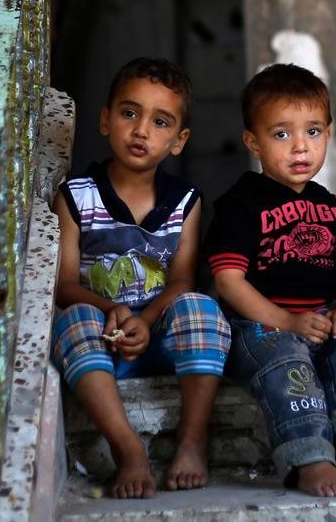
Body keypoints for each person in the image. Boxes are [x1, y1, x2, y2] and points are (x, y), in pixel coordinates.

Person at [206, 64, 336, 498]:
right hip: (262, 325)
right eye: (281, 134)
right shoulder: (240, 203)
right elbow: (229, 280)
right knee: (289, 363)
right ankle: (311, 457)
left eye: (313, 131)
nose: (300, 147)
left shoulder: (326, 204)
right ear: (252, 142)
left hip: (322, 318)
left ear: (328, 134)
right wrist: (286, 321)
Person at [51, 58, 230, 499]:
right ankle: (128, 451)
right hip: (102, 343)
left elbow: (183, 280)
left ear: (178, 141)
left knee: (201, 307)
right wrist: (112, 309)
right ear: (105, 119)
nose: (141, 130)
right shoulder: (76, 196)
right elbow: (64, 283)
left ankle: (191, 442)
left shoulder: (185, 201)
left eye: (160, 121)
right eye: (129, 113)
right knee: (71, 318)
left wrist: (147, 320)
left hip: (166, 340)